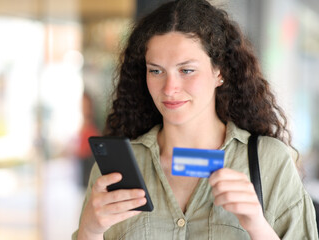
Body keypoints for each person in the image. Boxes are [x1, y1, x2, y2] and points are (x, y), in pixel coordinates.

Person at [72, 0, 318, 239]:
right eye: (156, 71)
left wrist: (256, 225)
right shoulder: (116, 171)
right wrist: (90, 232)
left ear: (219, 72)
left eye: (186, 70)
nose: (169, 88)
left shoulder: (269, 161)